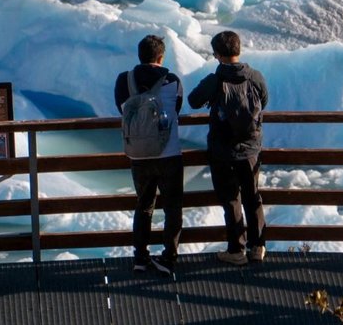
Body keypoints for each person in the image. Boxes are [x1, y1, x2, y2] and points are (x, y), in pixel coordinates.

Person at [187, 30, 268, 265]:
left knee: (231, 199)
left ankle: (236, 251)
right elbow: (264, 100)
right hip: (251, 149)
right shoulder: (255, 76)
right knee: (253, 198)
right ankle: (258, 247)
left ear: (217, 54)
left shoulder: (215, 80)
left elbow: (193, 101)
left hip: (222, 151)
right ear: (238, 49)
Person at [114, 34, 184, 276]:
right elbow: (176, 109)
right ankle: (169, 258)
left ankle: (141, 258)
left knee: (144, 205)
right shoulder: (172, 80)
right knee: (172, 207)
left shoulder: (125, 80)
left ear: (139, 55)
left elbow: (122, 110)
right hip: (169, 154)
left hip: (139, 155)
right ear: (161, 56)